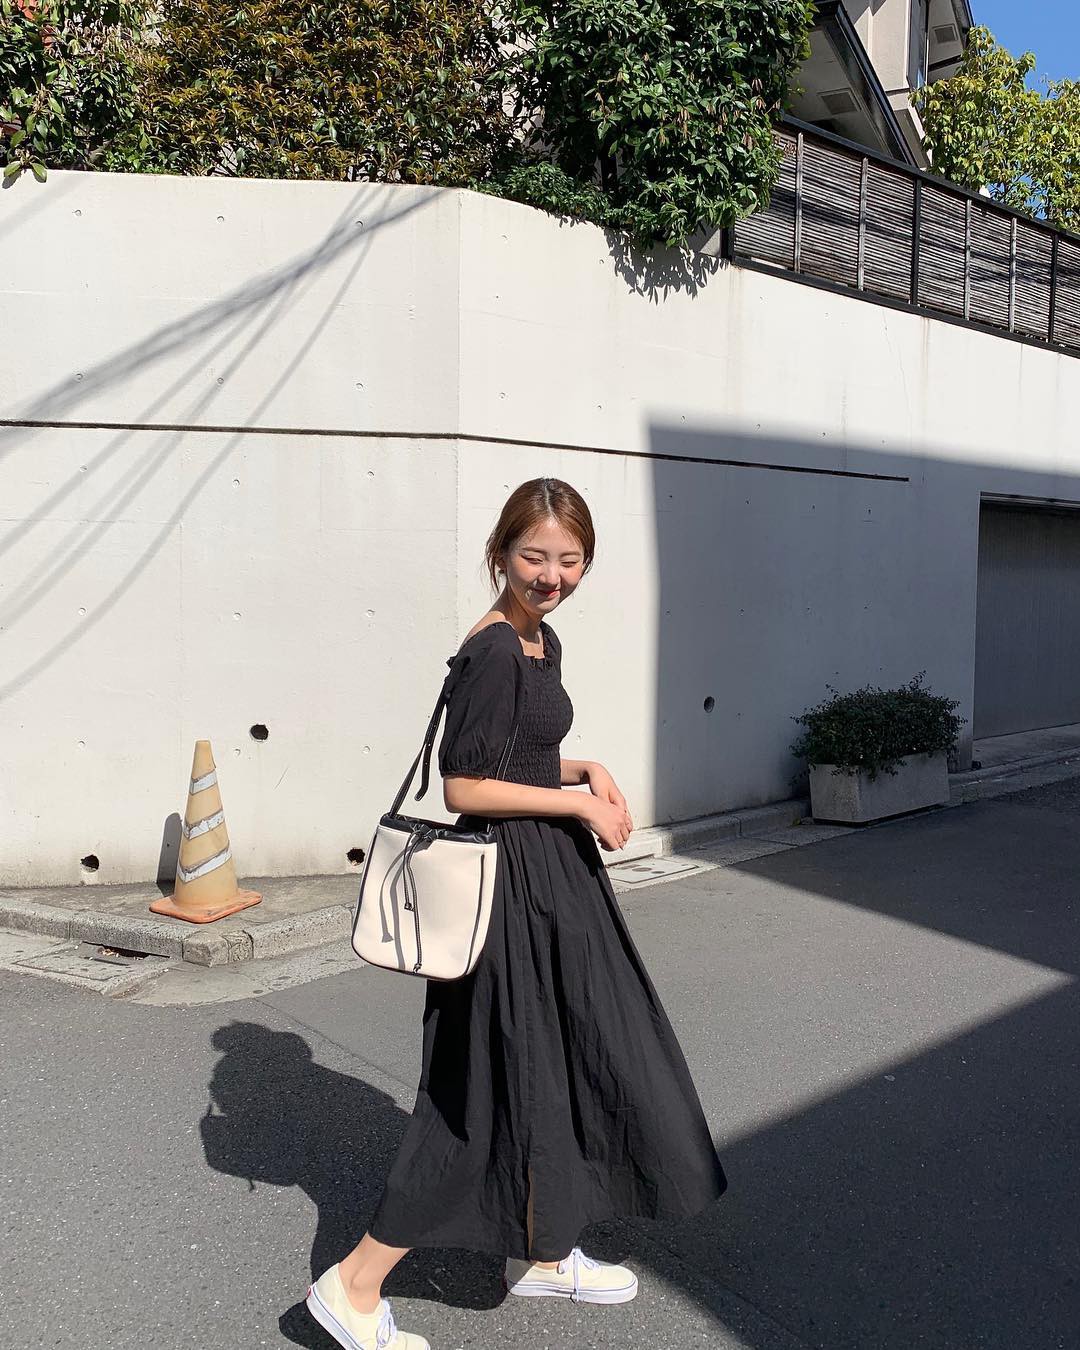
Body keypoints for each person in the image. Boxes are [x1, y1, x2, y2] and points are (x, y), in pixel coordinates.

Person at [306, 477, 727, 1350]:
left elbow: (519, 755)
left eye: (570, 560)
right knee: (492, 1087)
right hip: (508, 890)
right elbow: (464, 786)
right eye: (534, 556)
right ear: (500, 553)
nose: (551, 576)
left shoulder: (540, 640)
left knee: (559, 1066)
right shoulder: (496, 650)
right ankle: (353, 1285)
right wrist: (573, 805)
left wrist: (584, 768)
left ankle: (541, 1249)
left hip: (548, 880)